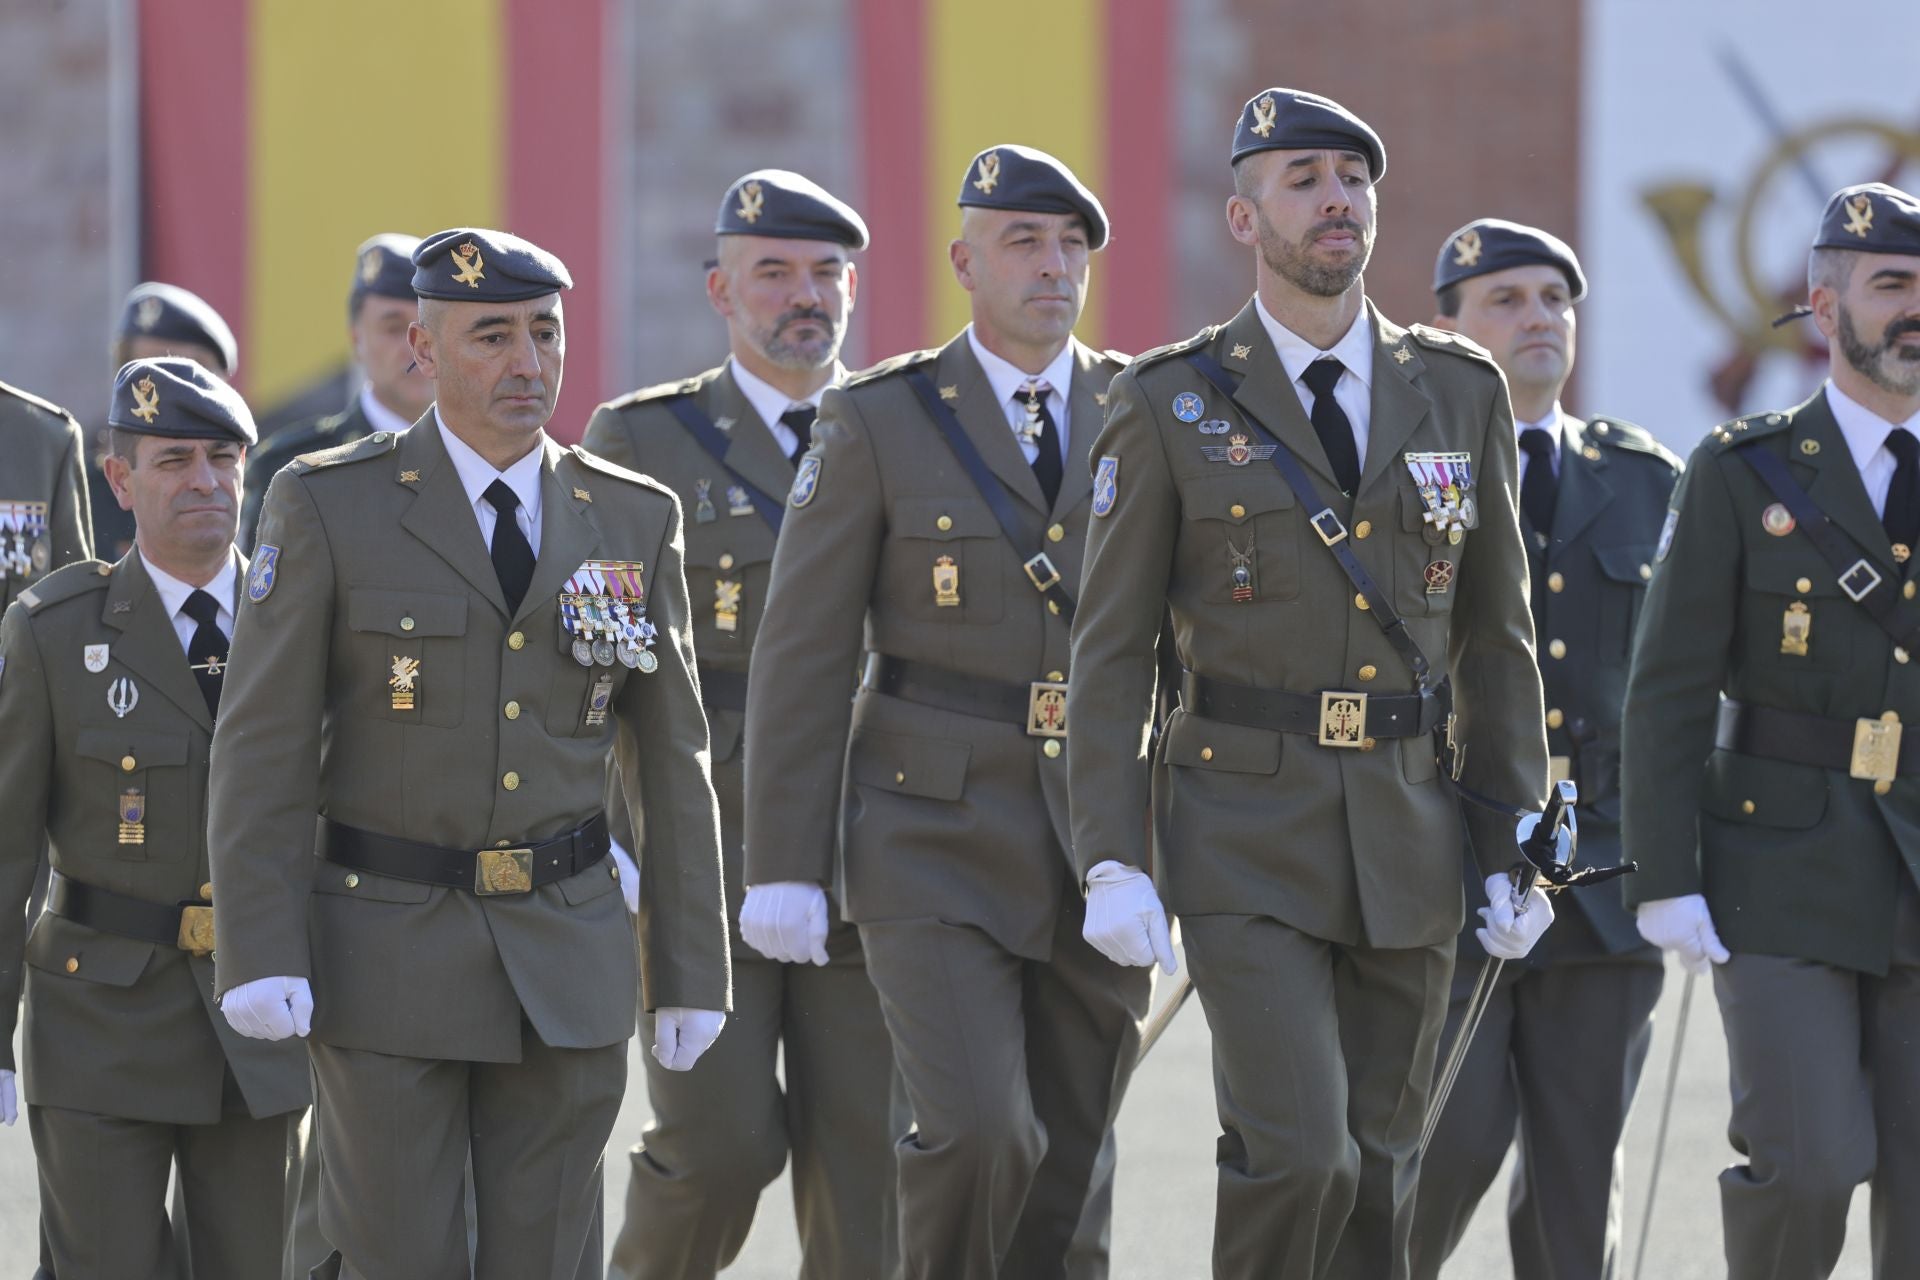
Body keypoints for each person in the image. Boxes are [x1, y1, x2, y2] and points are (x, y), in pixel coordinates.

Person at [1065, 89, 1557, 1279]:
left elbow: (1498, 635)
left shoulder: (1459, 388)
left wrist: (1514, 833)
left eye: (1351, 175)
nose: (1335, 197)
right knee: (1300, 1155)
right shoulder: (1170, 395)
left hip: (1409, 825)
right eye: (1302, 178)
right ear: (1245, 215)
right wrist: (1110, 851)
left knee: (1384, 1170)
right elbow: (1111, 649)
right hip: (1242, 826)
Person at [206, 228, 731, 1280]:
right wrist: (259, 946)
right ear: (420, 347)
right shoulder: (328, 504)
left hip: (566, 955)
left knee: (545, 1258)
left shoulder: (630, 515)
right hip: (387, 954)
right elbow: (260, 744)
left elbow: (672, 758)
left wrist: (689, 965)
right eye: (492, 336)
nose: (527, 363)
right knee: (401, 1254)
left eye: (545, 332)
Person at [739, 146, 1147, 1278]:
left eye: (1073, 244)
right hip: (927, 829)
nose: (1055, 265)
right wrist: (783, 857)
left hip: (1097, 832)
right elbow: (805, 649)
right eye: (1025, 240)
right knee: (978, 1130)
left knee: (1072, 1166)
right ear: (965, 261)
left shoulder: (1146, 411)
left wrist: (1183, 840)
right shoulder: (882, 417)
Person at [582, 170, 899, 1280]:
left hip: (872, 847)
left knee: (874, 1170)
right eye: (774, 272)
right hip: (700, 858)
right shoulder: (644, 440)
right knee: (719, 1145)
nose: (803, 295)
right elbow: (598, 661)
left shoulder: (907, 428)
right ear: (723, 290)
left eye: (825, 272)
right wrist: (611, 834)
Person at [1622, 181, 1920, 1279]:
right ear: (1822, 304)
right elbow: (1667, 685)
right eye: (1892, 285)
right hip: (1780, 864)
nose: (1914, 310)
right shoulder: (1744, 470)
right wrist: (1663, 869)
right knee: (1806, 1164)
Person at [0, 357, 312, 1278]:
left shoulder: (302, 617)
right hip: (99, 1022)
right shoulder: (56, 631)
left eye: (223, 457)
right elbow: (8, 849)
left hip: (256, 1025)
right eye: (174, 460)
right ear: (119, 480)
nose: (205, 481)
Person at [1409, 218, 1679, 1280]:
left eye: (1555, 299)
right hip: (1455, 865)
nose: (1539, 319)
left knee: (1579, 1180)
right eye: (1507, 299)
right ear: (1451, 329)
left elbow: (1681, 685)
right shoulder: (1414, 476)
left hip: (1602, 878)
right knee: (1445, 1143)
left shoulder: (1645, 478)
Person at [240, 234, 433, 552]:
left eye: (427, 329)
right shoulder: (294, 469)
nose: (415, 349)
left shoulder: (485, 460)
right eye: (394, 329)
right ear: (356, 340)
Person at [96, 283, 240, 563]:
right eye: (148, 378)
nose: (167, 394)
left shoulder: (264, 484)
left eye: (186, 377)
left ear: (221, 382)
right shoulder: (85, 493)